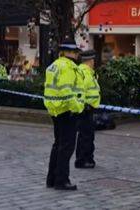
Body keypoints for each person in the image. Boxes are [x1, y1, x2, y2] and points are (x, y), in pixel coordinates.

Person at [44, 39, 84, 191]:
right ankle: (62, 180)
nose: (76, 54)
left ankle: (52, 179)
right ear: (67, 52)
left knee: (57, 145)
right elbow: (67, 91)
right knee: (66, 147)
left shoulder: (54, 65)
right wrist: (77, 107)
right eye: (74, 52)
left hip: (55, 109)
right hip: (67, 110)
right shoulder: (68, 67)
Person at [75, 49, 100, 169]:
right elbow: (81, 90)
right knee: (85, 136)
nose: (94, 62)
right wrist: (84, 105)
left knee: (87, 135)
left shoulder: (89, 72)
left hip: (89, 108)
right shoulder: (84, 72)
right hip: (85, 109)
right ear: (90, 60)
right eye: (93, 60)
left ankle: (87, 158)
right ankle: (82, 160)